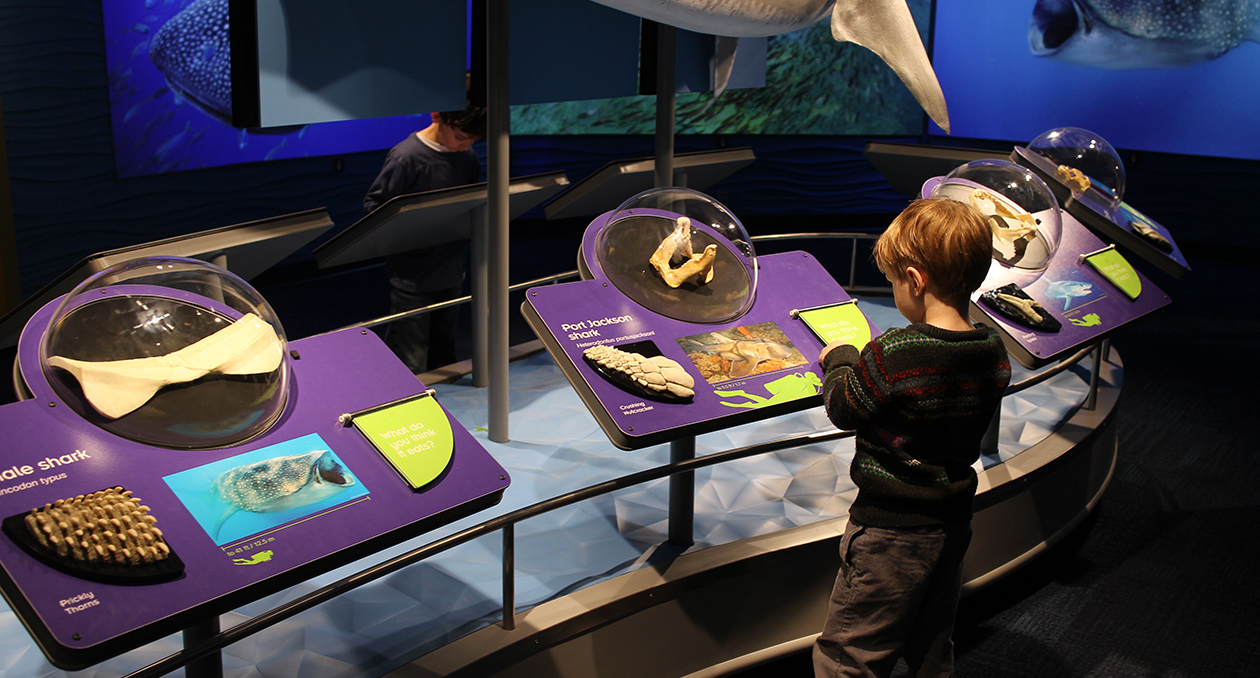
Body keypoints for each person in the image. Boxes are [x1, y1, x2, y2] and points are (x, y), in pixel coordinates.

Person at [812, 197, 1012, 678]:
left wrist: (840, 359)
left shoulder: (897, 350)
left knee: (849, 656)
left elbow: (844, 407)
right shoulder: (991, 347)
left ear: (916, 280)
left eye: (895, 281)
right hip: (950, 520)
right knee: (930, 641)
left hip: (888, 530)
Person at [363, 107, 486, 374]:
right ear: (437, 117)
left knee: (445, 353)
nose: (465, 145)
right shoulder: (406, 157)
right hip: (412, 274)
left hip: (451, 268)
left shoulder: (468, 157)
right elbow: (375, 207)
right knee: (411, 355)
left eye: (472, 140)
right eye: (461, 136)